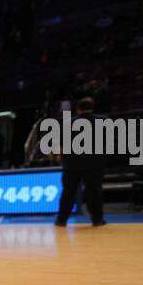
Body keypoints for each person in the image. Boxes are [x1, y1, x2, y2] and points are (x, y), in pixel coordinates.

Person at [54, 98, 107, 228]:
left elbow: (61, 145)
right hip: (94, 162)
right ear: (93, 107)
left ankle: (61, 220)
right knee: (94, 192)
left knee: (68, 192)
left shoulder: (68, 122)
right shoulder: (103, 120)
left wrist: (60, 157)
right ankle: (97, 220)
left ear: (77, 108)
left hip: (72, 163)